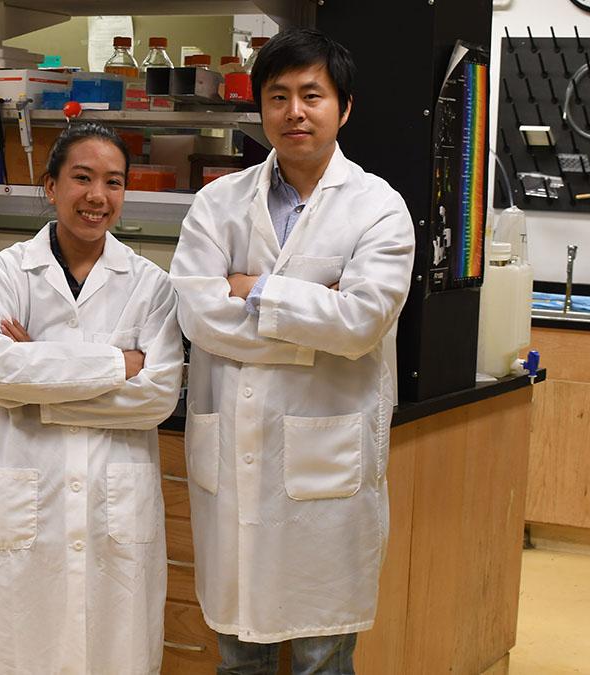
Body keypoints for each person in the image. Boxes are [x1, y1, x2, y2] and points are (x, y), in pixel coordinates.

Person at [169, 28, 416, 674]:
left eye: (313, 95)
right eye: (278, 97)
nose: (295, 112)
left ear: (345, 107)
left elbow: (360, 323)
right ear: (261, 109)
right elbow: (198, 313)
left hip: (324, 478)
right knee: (237, 652)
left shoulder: (378, 210)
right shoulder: (217, 204)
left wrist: (253, 290)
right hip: (234, 470)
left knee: (321, 656)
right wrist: (315, 318)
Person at [0, 122, 184, 674]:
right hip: (23, 490)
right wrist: (116, 364)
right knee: (13, 648)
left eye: (114, 182)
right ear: (50, 186)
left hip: (115, 500)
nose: (97, 197)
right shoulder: (10, 270)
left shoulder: (150, 285)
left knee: (111, 653)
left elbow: (157, 398)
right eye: (82, 178)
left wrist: (42, 386)